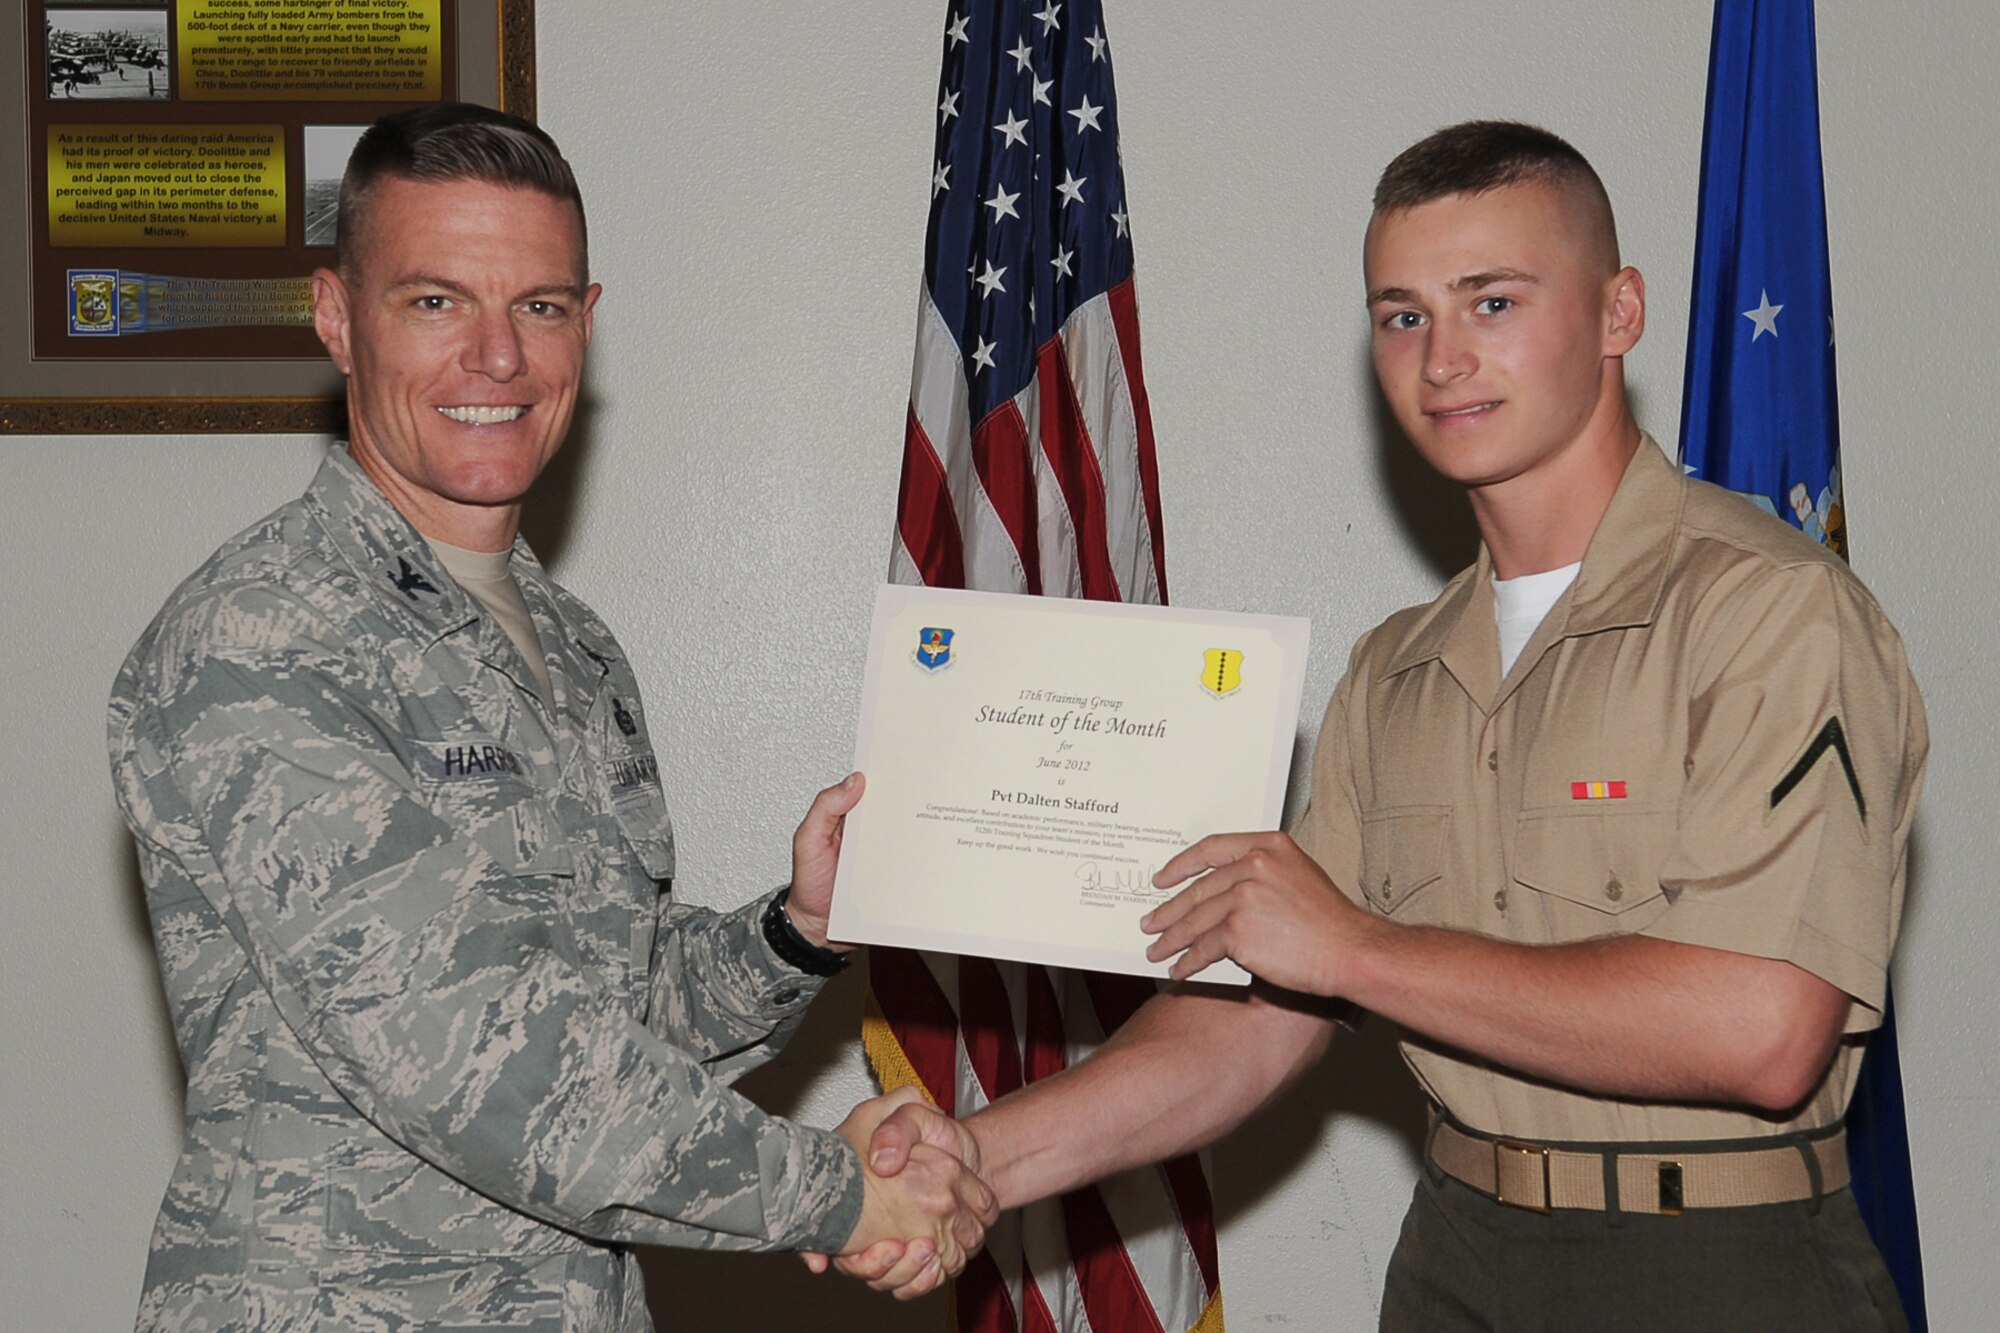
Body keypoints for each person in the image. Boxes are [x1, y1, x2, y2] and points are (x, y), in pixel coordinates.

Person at [841, 121, 1926, 1329]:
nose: (1443, 359)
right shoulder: (1396, 670)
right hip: (1458, 1251)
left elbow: (1761, 1026)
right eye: (1401, 315)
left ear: (1618, 312)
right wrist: (974, 1161)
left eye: (1492, 302)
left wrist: (1351, 947)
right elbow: (1259, 1021)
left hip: (1717, 1263)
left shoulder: (1767, 614)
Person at [108, 103, 991, 1332]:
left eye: (540, 304)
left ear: (587, 321)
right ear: (334, 317)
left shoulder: (572, 643)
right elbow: (484, 1064)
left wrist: (798, 931)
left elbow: (605, 1005)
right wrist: (838, 1195)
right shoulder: (263, 636)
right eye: (434, 302)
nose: (498, 358)